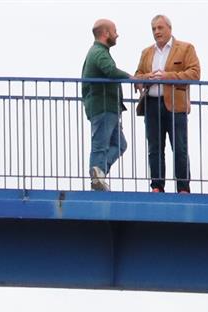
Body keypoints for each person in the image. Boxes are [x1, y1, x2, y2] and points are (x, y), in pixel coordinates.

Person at [134, 14, 200, 192]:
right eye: (154, 29)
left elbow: (194, 73)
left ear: (169, 29)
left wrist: (167, 76)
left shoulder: (185, 48)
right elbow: (138, 75)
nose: (157, 32)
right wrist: (145, 78)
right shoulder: (147, 52)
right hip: (152, 104)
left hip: (175, 105)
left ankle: (183, 187)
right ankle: (157, 186)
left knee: (179, 146)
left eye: (160, 28)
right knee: (154, 147)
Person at [81, 19, 132, 191]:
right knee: (100, 145)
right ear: (106, 33)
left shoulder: (98, 51)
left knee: (120, 144)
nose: (117, 34)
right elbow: (111, 71)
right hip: (103, 106)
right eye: (115, 31)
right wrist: (132, 78)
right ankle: (97, 179)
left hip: (108, 107)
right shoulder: (99, 52)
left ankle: (99, 174)